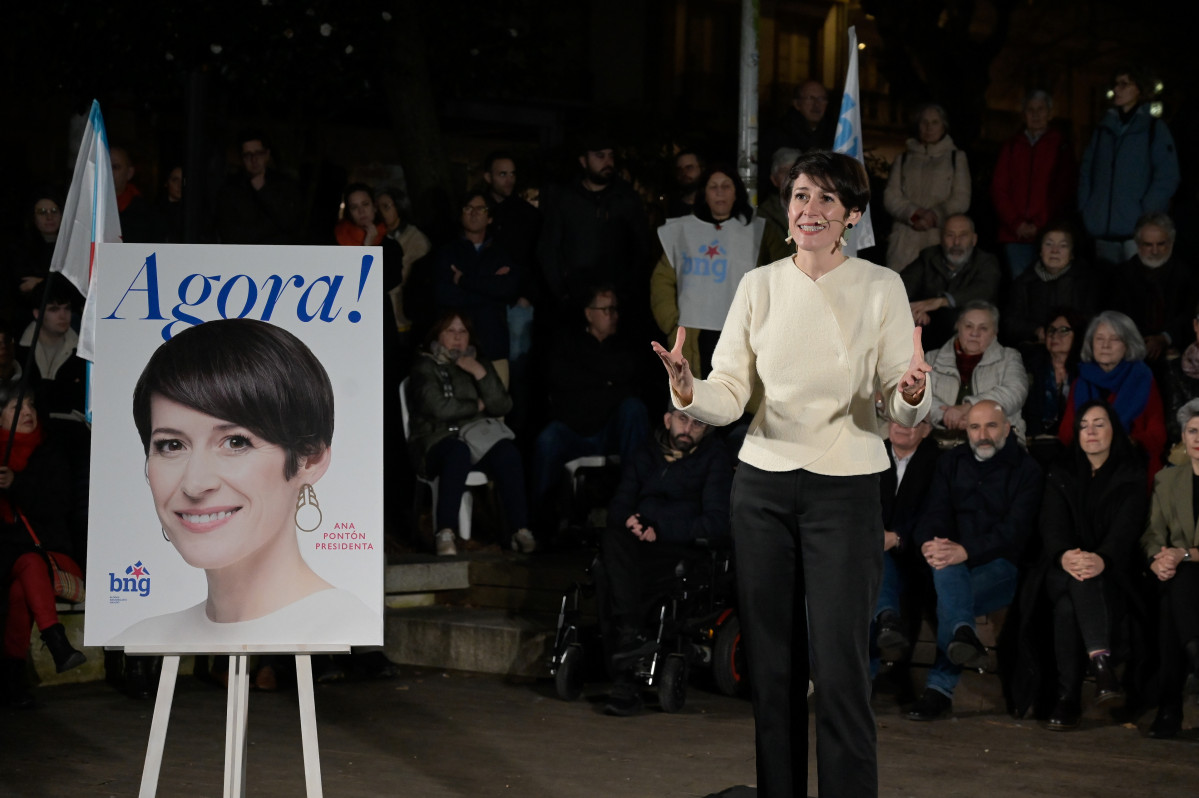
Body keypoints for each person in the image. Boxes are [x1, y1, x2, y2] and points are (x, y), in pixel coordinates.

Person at [653, 150, 932, 798]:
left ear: (852, 217)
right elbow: (730, 389)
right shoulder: (758, 285)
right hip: (762, 488)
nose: (810, 210)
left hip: (847, 488)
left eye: (827, 200)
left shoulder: (879, 288)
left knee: (838, 673)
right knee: (772, 672)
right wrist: (689, 388)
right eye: (801, 196)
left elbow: (897, 398)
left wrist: (913, 392)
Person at [118, 319, 377, 646]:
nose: (195, 484)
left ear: (309, 459)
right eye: (171, 445)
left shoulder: (348, 630)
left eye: (236, 442)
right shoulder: (144, 638)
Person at [906, 401, 1042, 721]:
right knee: (946, 572)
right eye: (975, 427)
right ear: (965, 430)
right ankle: (963, 636)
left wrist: (964, 550)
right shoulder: (951, 462)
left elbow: (1014, 533)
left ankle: (939, 689)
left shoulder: (1027, 470)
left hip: (1003, 567)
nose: (983, 435)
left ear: (1007, 429)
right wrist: (930, 544)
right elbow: (932, 512)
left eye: (991, 426)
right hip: (953, 564)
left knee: (949, 591)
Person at [600, 406, 734, 716]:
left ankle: (625, 679)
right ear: (667, 420)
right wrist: (630, 520)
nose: (689, 428)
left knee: (622, 575)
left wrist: (661, 530)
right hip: (635, 545)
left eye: (698, 423)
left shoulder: (714, 459)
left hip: (679, 546)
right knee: (611, 544)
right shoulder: (645, 454)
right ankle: (631, 638)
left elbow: (716, 522)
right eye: (682, 419)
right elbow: (620, 503)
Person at [1036, 401, 1147, 730]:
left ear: (1114, 430)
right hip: (1061, 568)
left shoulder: (1131, 475)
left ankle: (1067, 698)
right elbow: (1051, 526)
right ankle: (1101, 666)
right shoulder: (1061, 472)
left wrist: (1102, 558)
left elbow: (1127, 530)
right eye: (1084, 425)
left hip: (1113, 572)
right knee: (1077, 582)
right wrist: (1066, 556)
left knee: (1069, 609)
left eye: (1099, 424)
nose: (1091, 432)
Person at [407, 311, 533, 556]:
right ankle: (445, 532)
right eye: (451, 331)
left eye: (462, 331)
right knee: (457, 452)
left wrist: (479, 373)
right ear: (438, 335)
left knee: (507, 452)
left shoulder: (478, 362)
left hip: (476, 440)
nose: (457, 338)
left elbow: (502, 405)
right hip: (436, 440)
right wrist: (475, 406)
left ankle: (520, 530)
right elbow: (437, 407)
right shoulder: (425, 364)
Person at [532, 285, 650, 527]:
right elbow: (561, 382)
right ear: (589, 313)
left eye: (615, 309)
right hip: (575, 428)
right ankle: (538, 523)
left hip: (610, 431)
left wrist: (593, 377)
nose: (613, 315)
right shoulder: (567, 343)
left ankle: (635, 505)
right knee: (548, 439)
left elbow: (631, 381)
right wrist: (607, 380)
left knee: (634, 409)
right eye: (606, 310)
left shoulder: (624, 345)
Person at [1, 387, 86, 707]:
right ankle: (57, 644)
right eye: (14, 407)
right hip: (10, 559)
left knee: (27, 572)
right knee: (23, 575)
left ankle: (11, 678)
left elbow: (59, 504)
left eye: (31, 404)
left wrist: (17, 485)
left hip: (53, 554)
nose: (27, 412)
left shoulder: (50, 451)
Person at [650, 164, 770, 377]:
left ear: (737, 192)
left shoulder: (757, 232)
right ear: (704, 194)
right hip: (694, 334)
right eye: (713, 187)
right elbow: (662, 278)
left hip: (741, 331)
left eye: (726, 186)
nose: (720, 192)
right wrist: (671, 321)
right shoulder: (683, 231)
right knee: (697, 398)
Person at [537, 134, 651, 332]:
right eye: (600, 156)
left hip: (617, 300)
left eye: (610, 156)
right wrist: (563, 292)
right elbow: (549, 249)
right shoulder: (565, 200)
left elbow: (641, 248)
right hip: (574, 300)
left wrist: (626, 292)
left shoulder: (626, 199)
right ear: (583, 161)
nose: (607, 162)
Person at [1079, 66, 1180, 266]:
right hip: (1103, 229)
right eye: (1116, 84)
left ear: (1139, 89)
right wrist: (1087, 207)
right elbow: (1086, 170)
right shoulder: (1103, 130)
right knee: (1107, 289)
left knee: (1135, 290)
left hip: (1136, 232)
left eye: (1124, 84)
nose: (1117, 89)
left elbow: (1167, 175)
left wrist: (1146, 212)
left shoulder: (1154, 129)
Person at [1141, 398, 1199, 739]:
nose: (1197, 439)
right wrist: (1157, 559)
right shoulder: (1166, 480)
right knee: (1171, 593)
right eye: (1192, 431)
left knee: (1175, 595)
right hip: (1176, 572)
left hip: (1188, 569)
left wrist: (1182, 556)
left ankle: (1169, 708)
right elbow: (1152, 533)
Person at [1058, 311, 1166, 480]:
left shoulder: (1143, 378)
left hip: (1133, 467)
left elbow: (1157, 435)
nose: (1105, 345)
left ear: (1128, 345)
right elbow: (1066, 433)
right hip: (1087, 466)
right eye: (1099, 339)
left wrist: (1124, 442)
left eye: (1114, 339)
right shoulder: (1081, 381)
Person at [872, 419, 940, 673]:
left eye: (914, 422)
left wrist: (899, 537)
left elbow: (934, 511)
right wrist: (874, 535)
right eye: (897, 420)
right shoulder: (871, 454)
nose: (902, 426)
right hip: (872, 547)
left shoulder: (939, 462)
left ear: (927, 429)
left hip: (917, 550)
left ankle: (888, 619)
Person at [991, 90, 1077, 280]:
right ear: (1024, 114)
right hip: (1014, 234)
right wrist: (1016, 223)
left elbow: (1062, 191)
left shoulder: (1061, 145)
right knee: (1020, 283)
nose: (1036, 114)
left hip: (1049, 232)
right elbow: (999, 188)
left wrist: (1040, 224)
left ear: (1050, 113)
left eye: (1041, 109)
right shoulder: (1011, 146)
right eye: (1031, 110)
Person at [432, 191, 518, 372]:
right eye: (468, 208)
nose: (474, 213)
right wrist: (490, 288)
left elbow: (508, 289)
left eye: (481, 209)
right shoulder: (447, 252)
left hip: (493, 343)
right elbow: (444, 294)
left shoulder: (501, 253)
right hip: (455, 349)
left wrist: (463, 281)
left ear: (490, 218)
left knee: (496, 398)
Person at [883, 104, 971, 272]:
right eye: (924, 122)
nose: (929, 127)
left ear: (943, 126)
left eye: (935, 122)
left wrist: (934, 216)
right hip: (905, 239)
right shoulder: (904, 158)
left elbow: (961, 198)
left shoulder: (956, 158)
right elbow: (891, 196)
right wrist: (915, 214)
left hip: (938, 236)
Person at [926, 301, 1029, 444]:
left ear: (995, 332)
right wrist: (946, 416)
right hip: (940, 441)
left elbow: (1015, 392)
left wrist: (968, 408)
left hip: (996, 443)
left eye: (984, 328)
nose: (974, 333)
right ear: (957, 327)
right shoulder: (931, 358)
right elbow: (918, 396)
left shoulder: (1009, 357)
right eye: (968, 326)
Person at [1105, 213, 1195, 366]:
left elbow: (1190, 314)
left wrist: (1165, 338)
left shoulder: (1186, 275)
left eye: (1161, 244)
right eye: (1148, 244)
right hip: (1130, 353)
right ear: (1138, 244)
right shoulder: (1121, 276)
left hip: (1177, 354)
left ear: (1171, 243)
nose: (1155, 251)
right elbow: (1115, 316)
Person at [901, 214, 1002, 349]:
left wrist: (942, 301)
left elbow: (984, 290)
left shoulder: (986, 262)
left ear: (974, 239)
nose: (956, 242)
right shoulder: (929, 256)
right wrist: (914, 310)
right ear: (941, 239)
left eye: (963, 236)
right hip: (929, 331)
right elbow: (901, 286)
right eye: (950, 235)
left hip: (968, 331)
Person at [1003, 221, 1099, 347]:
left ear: (1072, 254)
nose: (1054, 250)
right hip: (1035, 348)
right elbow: (1010, 323)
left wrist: (1064, 333)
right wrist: (1036, 330)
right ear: (1040, 251)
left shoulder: (1086, 281)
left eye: (1063, 246)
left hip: (1076, 348)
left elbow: (1092, 319)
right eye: (1049, 244)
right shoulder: (1024, 282)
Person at [1021, 307, 1086, 463]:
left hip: (1075, 447)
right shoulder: (1031, 365)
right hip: (1033, 443)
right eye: (1051, 330)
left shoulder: (1085, 370)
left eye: (1064, 330)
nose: (1055, 335)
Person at [216, 132, 303, 245]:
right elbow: (231, 235)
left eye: (259, 153)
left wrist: (263, 190)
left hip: (280, 254)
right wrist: (273, 226)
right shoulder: (231, 190)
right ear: (241, 158)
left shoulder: (284, 184)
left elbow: (292, 223)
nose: (254, 159)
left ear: (267, 154)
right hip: (244, 255)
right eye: (248, 155)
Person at [757, 80, 835, 192]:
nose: (816, 104)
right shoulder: (778, 133)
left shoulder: (834, 133)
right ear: (797, 103)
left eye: (822, 99)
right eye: (810, 98)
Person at [376, 186, 431, 334]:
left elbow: (402, 277)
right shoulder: (374, 236)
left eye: (386, 207)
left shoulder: (416, 239)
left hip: (402, 317)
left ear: (399, 207)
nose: (381, 212)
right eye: (377, 207)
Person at [665, 149, 705, 219]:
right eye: (679, 169)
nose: (684, 173)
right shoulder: (673, 207)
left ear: (702, 169)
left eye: (689, 168)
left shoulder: (714, 204)